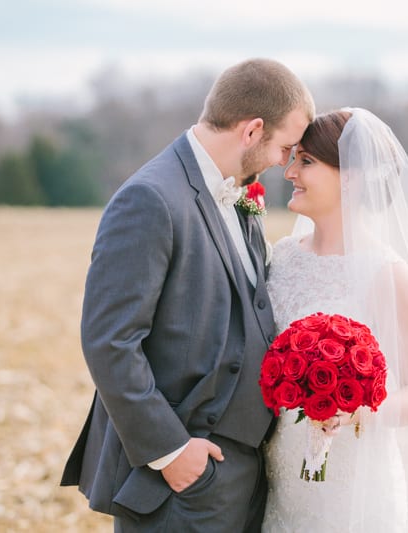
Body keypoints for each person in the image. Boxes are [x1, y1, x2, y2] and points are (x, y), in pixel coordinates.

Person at [60, 58, 315, 532]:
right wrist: (172, 452)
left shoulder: (238, 195)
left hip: (243, 475)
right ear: (253, 130)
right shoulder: (151, 199)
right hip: (183, 481)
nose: (285, 163)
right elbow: (110, 340)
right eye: (285, 147)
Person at [262, 108, 408, 532]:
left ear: (351, 177)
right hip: (280, 478)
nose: (290, 172)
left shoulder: (388, 274)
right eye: (292, 159)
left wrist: (360, 409)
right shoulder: (280, 259)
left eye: (306, 161)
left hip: (357, 486)